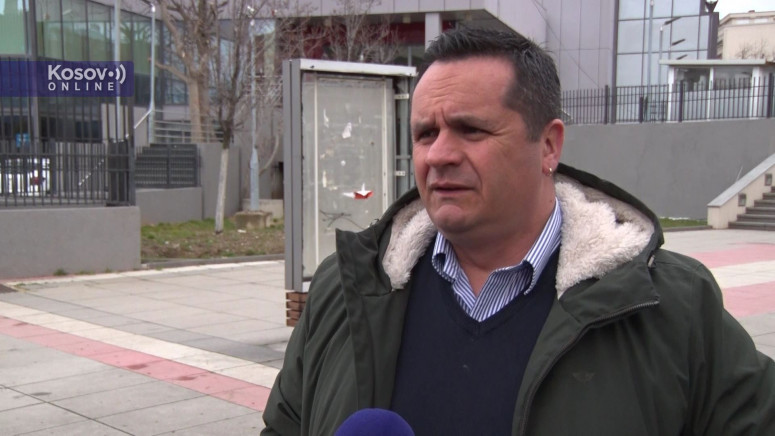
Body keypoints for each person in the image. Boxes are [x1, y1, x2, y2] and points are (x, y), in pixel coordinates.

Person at [262, 27, 775, 435]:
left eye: (470, 129)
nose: (439, 154)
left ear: (548, 146)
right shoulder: (342, 289)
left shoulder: (671, 306)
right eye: (425, 133)